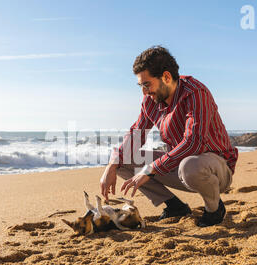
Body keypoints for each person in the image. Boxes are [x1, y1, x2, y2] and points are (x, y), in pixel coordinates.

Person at [99, 46, 238, 227]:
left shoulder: (195, 93)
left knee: (190, 165)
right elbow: (136, 134)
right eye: (141, 86)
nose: (144, 92)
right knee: (123, 159)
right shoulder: (150, 100)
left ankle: (214, 210)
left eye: (147, 84)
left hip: (215, 170)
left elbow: (193, 142)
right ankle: (175, 206)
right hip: (178, 167)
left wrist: (150, 169)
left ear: (166, 77)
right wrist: (111, 165)